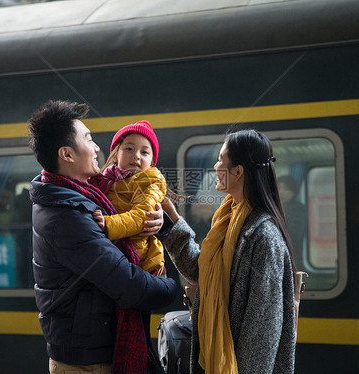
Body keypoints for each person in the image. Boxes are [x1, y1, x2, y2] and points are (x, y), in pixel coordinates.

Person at [27, 100, 177, 374]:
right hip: (87, 363)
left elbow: (136, 213)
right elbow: (128, 285)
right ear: (67, 154)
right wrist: (169, 286)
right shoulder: (67, 216)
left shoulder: (80, 195)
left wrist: (158, 223)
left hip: (93, 351)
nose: (97, 148)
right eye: (89, 139)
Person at [161, 129, 297, 374]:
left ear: (238, 171)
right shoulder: (228, 219)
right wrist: (171, 219)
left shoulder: (263, 237)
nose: (215, 166)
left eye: (221, 160)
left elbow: (262, 333)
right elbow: (200, 271)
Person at [89, 120, 166, 276]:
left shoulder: (151, 183)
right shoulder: (105, 181)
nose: (136, 156)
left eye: (144, 152)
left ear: (151, 163)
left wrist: (108, 224)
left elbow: (142, 217)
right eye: (129, 149)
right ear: (116, 155)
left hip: (140, 262)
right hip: (114, 255)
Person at [278, 175, 307, 269]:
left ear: (293, 191)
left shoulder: (298, 209)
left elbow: (294, 234)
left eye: (286, 189)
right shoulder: (275, 208)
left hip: (293, 259)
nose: (282, 192)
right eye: (279, 188)